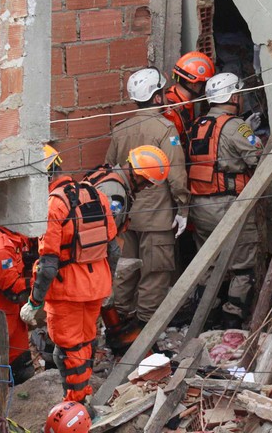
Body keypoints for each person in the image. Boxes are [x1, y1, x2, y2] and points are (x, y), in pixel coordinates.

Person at [104, 69, 188, 351]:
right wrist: (183, 208)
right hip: (158, 215)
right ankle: (143, 331)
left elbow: (110, 170)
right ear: (157, 95)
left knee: (124, 271)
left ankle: (119, 323)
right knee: (155, 272)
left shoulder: (120, 129)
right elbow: (175, 174)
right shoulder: (165, 129)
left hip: (125, 217)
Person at [20, 168, 120, 404]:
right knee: (86, 341)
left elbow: (48, 266)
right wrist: (107, 281)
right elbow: (114, 250)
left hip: (68, 292)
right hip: (97, 286)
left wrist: (34, 302)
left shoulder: (54, 205)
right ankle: (84, 394)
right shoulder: (96, 194)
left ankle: (76, 405)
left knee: (67, 350)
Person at [186, 72, 263, 328]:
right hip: (227, 204)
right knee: (242, 265)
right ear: (233, 96)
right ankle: (232, 320)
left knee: (208, 262)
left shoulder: (198, 125)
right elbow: (257, 158)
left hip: (199, 206)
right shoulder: (234, 126)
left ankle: (207, 318)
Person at [0, 222, 37, 384]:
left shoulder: (14, 236)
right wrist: (39, 282)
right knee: (3, 373)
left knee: (23, 369)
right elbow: (12, 289)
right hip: (2, 319)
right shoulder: (0, 250)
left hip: (13, 317)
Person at [164, 51, 215, 145]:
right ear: (193, 85)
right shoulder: (172, 110)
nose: (206, 89)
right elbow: (172, 146)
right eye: (204, 85)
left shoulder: (184, 101)